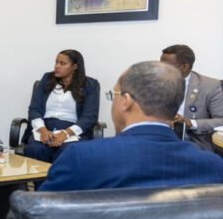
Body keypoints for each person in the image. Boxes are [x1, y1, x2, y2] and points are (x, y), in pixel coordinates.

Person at [40, 61, 223, 191]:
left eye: (114, 95)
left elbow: (39, 218)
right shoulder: (213, 166)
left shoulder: (82, 157)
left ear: (126, 101)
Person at [23, 49, 100, 163]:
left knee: (68, 151)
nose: (57, 66)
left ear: (75, 66)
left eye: (62, 63)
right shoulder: (47, 79)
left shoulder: (90, 85)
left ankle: (58, 176)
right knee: (35, 149)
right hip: (45, 128)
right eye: (56, 62)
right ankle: (42, 177)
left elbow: (90, 117)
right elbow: (34, 109)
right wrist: (43, 130)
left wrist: (66, 133)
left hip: (73, 131)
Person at [159, 44, 223, 150]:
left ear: (184, 67)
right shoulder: (154, 82)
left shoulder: (209, 86)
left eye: (166, 66)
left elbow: (221, 120)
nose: (161, 70)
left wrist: (190, 123)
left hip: (193, 140)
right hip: (159, 136)